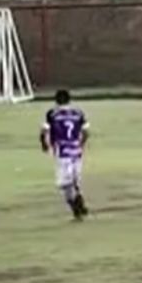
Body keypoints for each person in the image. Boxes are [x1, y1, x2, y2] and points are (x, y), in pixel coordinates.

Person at [40, 89, 90, 221]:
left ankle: (76, 206)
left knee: (64, 183)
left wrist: (44, 145)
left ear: (56, 101)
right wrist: (81, 144)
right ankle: (78, 199)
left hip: (62, 150)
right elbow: (86, 132)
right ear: (69, 100)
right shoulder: (78, 113)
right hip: (76, 150)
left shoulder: (52, 114)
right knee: (75, 178)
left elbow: (44, 131)